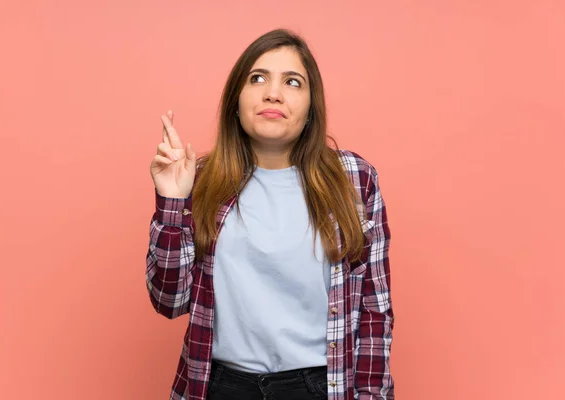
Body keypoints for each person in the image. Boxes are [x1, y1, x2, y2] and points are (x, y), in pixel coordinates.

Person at [146, 28, 395, 400]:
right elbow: (170, 301)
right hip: (219, 386)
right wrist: (172, 202)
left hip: (318, 387)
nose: (273, 92)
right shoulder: (199, 179)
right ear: (236, 99)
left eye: (293, 82)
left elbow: (374, 310)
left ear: (312, 107)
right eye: (257, 78)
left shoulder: (353, 179)